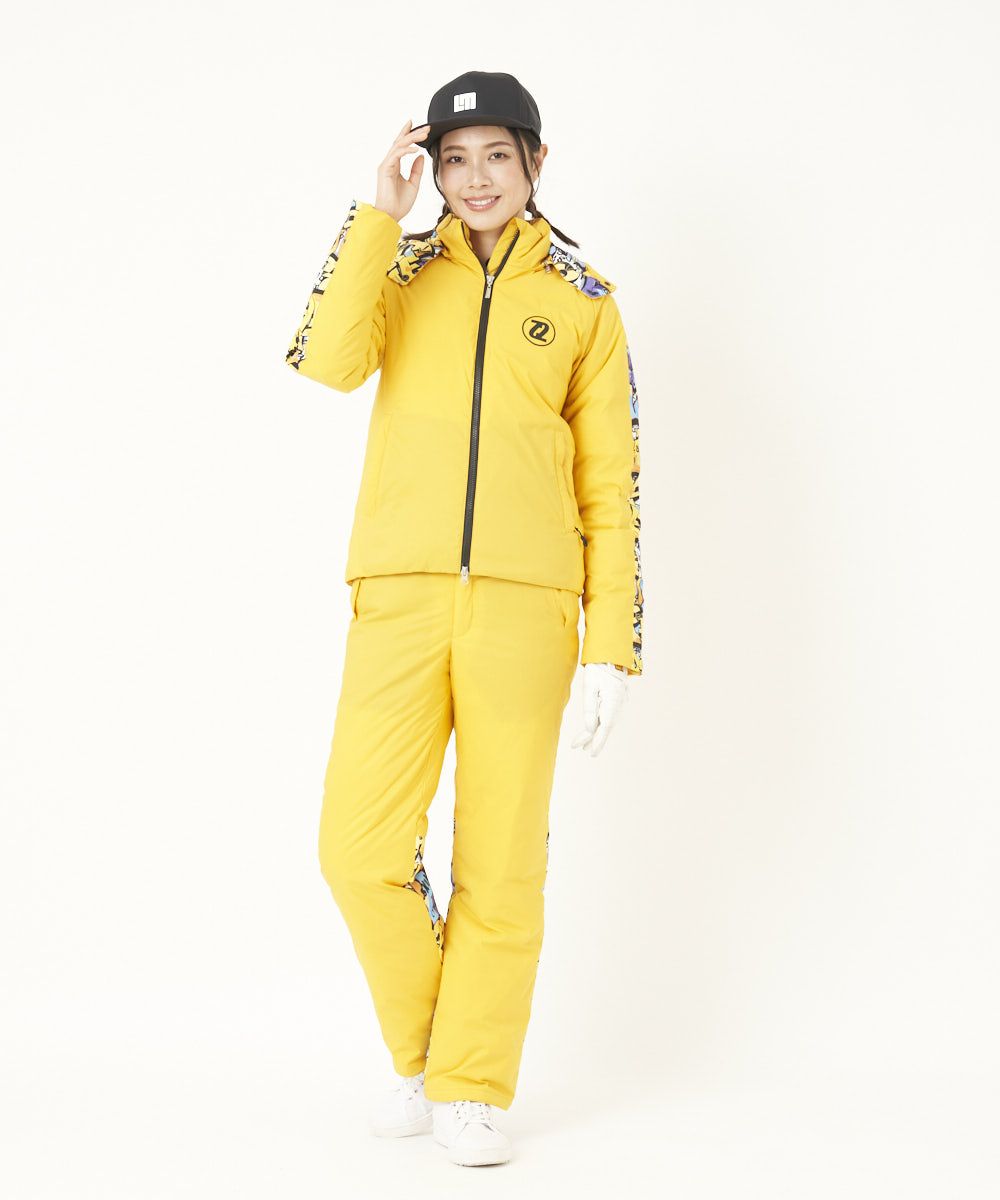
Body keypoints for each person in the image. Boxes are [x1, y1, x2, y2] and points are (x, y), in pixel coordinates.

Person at [285, 70, 644, 1167]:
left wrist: (612, 645)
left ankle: (471, 1087)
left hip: (529, 611)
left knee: (501, 863)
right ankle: (428, 1054)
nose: (475, 178)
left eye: (496, 155)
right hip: (397, 596)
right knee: (356, 850)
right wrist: (376, 215)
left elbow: (611, 487)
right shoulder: (396, 270)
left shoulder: (585, 300)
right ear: (429, 170)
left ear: (536, 161)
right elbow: (325, 361)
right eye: (453, 159)